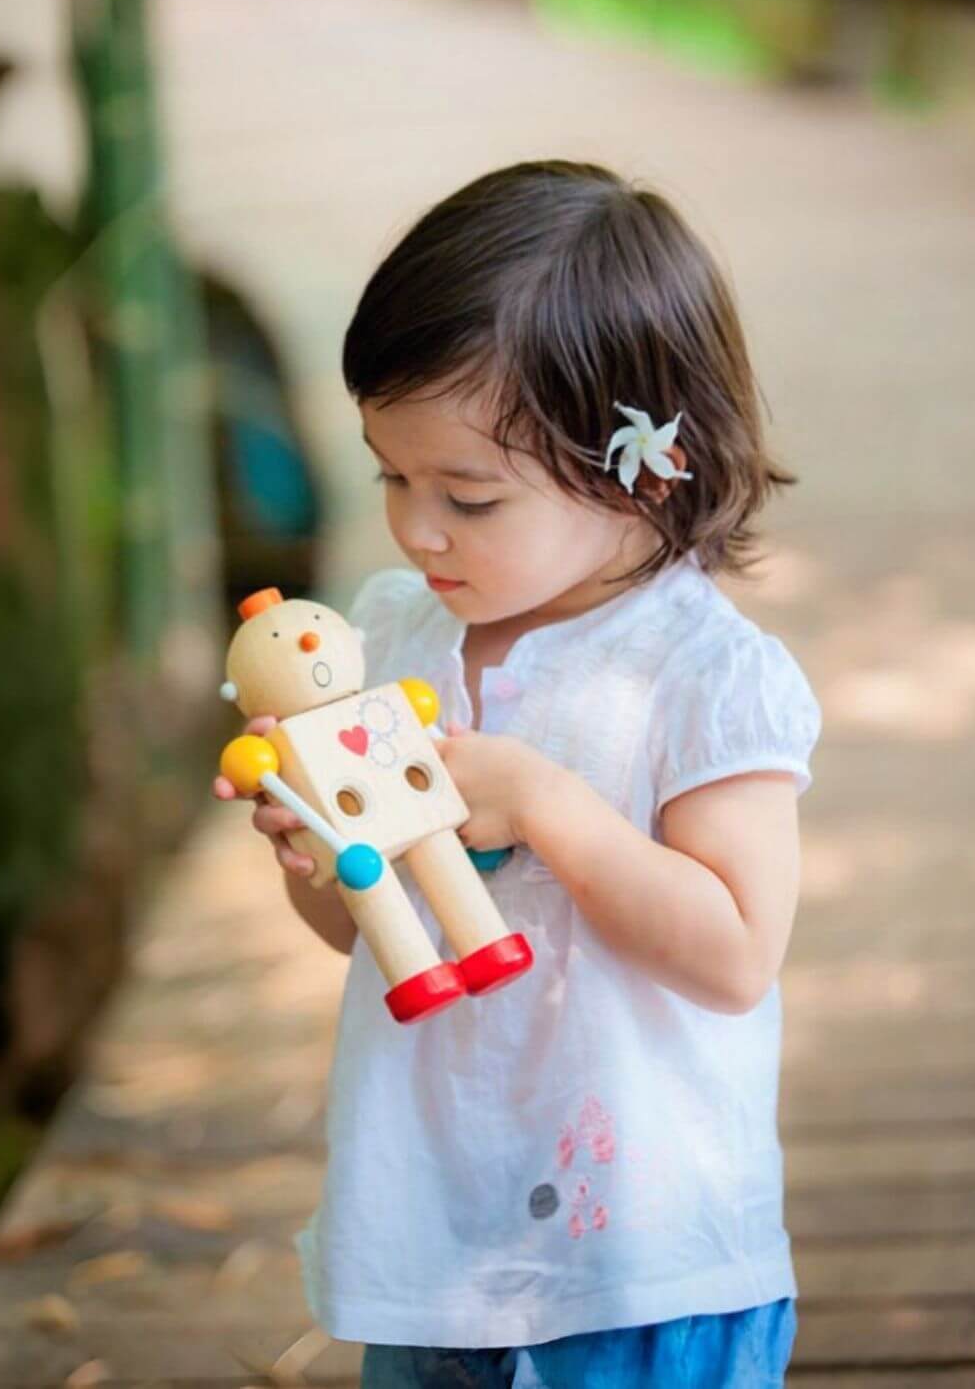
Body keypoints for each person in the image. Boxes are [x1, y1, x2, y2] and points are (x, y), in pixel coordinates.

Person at [214, 160, 822, 1387]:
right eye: (391, 475)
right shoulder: (390, 638)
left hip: (643, 1261)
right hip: (434, 1241)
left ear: (645, 469)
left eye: (470, 497)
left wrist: (547, 803)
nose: (416, 528)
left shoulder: (700, 673)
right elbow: (364, 930)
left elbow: (736, 951)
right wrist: (319, 854)